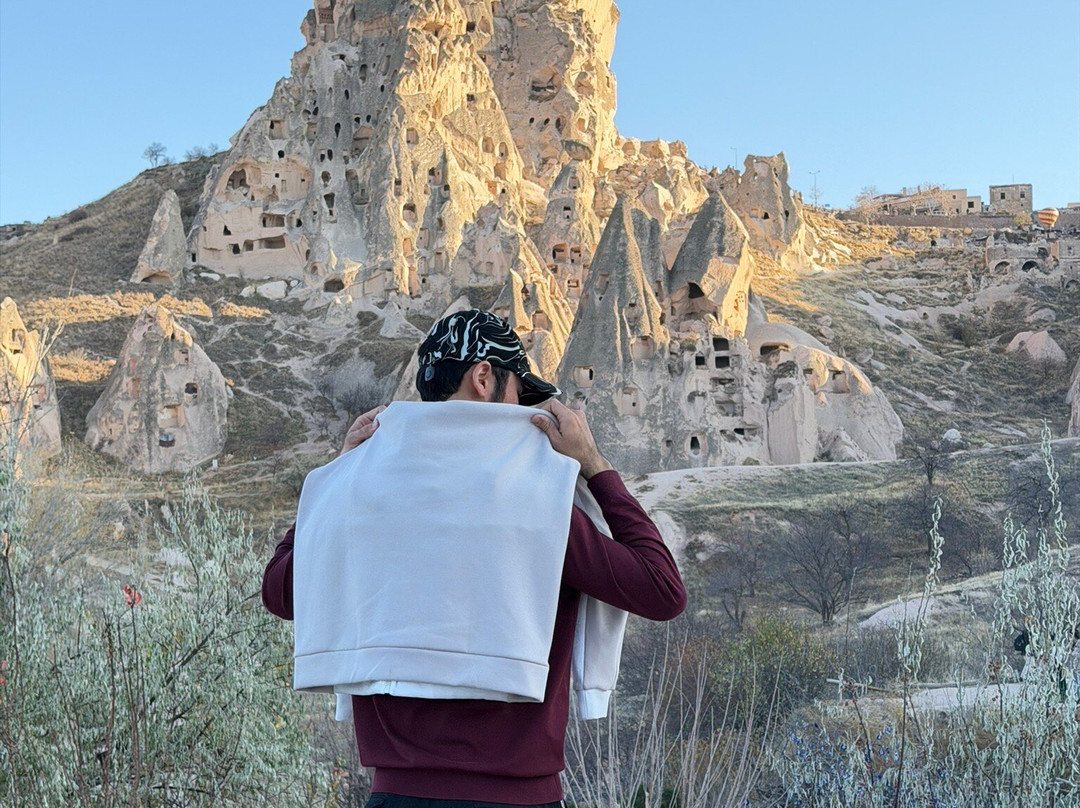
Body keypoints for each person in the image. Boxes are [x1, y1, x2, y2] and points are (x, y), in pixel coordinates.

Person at [262, 309, 687, 807]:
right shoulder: (533, 498)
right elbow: (662, 590)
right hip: (517, 798)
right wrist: (594, 465)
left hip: (395, 795)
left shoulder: (361, 489)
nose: (524, 413)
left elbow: (281, 592)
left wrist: (337, 477)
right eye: (519, 394)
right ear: (484, 378)